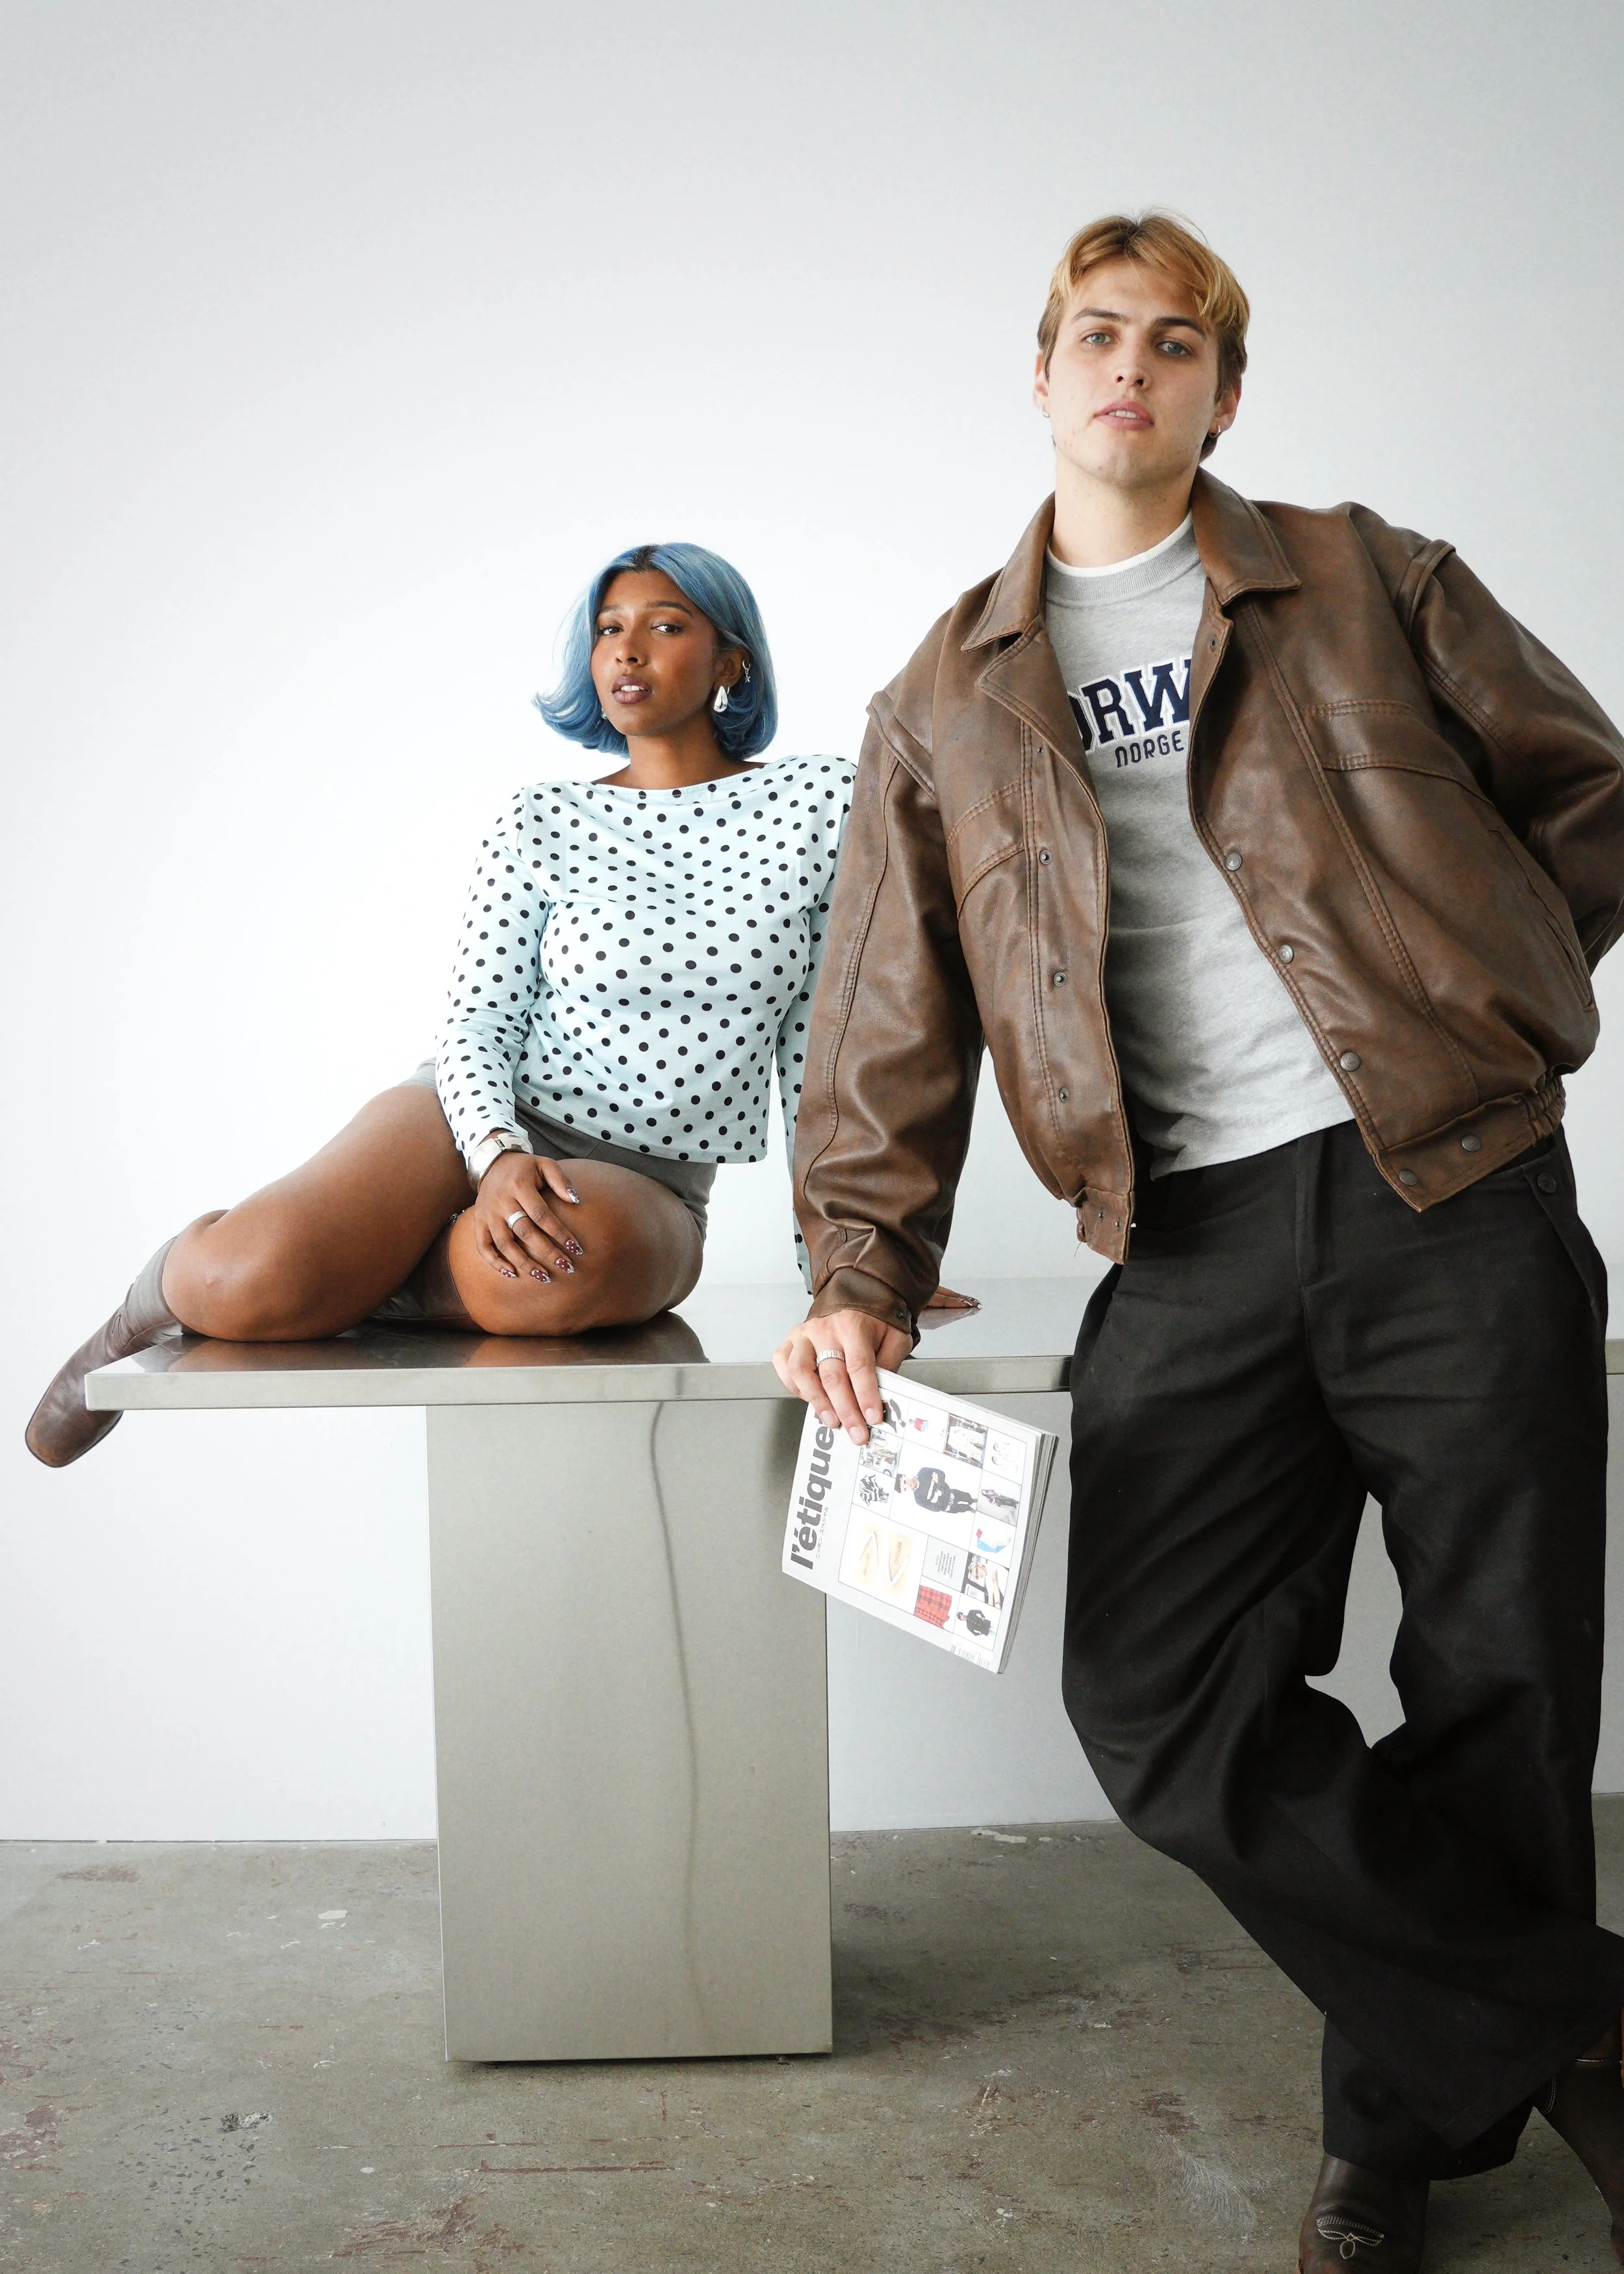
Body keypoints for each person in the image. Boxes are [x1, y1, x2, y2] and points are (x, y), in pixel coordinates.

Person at [774, 211, 1624, 2271]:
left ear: (1222, 392)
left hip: (1447, 1183)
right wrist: (858, 1263)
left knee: (1496, 1679)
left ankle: (1392, 2143)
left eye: (1175, 343)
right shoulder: (942, 694)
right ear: (1042, 374)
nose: (1129, 370)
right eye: (1095, 336)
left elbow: (1589, 798)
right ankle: (1576, 2025)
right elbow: (891, 1006)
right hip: (1185, 1231)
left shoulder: (1360, 575)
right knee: (1158, 1703)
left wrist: (1473, 1018)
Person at [28, 541, 969, 1470]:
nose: (626, 652)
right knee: (247, 1281)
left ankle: (344, 1276)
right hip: (470, 1117)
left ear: (732, 663)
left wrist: (855, 1270)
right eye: (609, 630)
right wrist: (499, 1152)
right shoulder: (542, 817)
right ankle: (154, 1300)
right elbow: (478, 1021)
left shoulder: (814, 803)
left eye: (665, 626)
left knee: (544, 1273)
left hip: (648, 1181)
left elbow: (821, 1054)